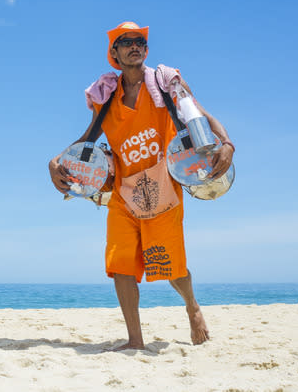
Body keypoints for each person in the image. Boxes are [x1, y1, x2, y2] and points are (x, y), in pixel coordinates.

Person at [48, 21, 235, 350]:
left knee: (170, 267)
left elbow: (203, 116)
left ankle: (192, 306)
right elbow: (87, 141)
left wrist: (228, 144)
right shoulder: (106, 97)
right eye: (126, 41)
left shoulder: (165, 84)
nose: (135, 45)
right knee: (121, 264)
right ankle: (135, 340)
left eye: (140, 41)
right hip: (123, 191)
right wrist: (57, 161)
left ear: (146, 50)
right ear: (114, 53)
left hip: (163, 188)